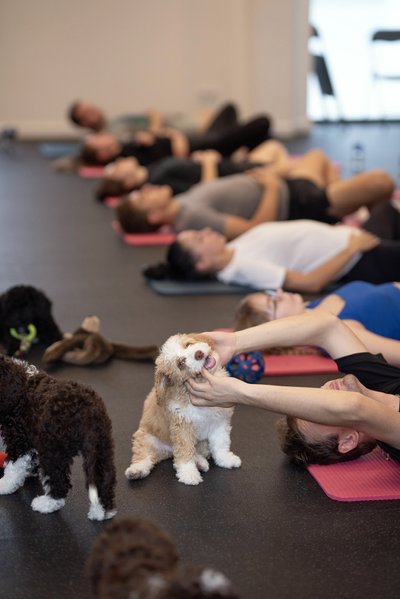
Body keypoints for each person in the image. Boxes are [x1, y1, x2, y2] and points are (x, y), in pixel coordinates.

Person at [186, 311, 400, 465]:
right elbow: (354, 408)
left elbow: (327, 327)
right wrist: (240, 393)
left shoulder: (374, 385)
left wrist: (235, 342)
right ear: (349, 440)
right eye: (321, 410)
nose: (325, 390)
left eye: (314, 398)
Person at [115, 148, 394, 239]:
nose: (147, 187)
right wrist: (271, 186)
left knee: (317, 155)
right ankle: (371, 237)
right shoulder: (191, 217)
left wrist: (273, 175)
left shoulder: (182, 202)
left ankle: (346, 217)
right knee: (381, 182)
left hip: (291, 186)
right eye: (143, 196)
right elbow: (255, 229)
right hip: (297, 202)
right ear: (153, 216)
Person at [143, 200, 400, 293]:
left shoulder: (234, 248)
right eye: (200, 238)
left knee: (386, 209)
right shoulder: (244, 268)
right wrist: (352, 249)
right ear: (202, 263)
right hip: (359, 258)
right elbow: (309, 283)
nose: (207, 231)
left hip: (351, 237)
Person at [234, 282, 400, 366]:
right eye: (274, 303)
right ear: (278, 327)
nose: (279, 293)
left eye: (271, 294)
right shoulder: (339, 334)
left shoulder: (311, 307)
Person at [96, 138, 288, 200]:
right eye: (115, 168)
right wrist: (208, 162)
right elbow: (206, 190)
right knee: (296, 163)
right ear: (128, 182)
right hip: (235, 174)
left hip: (229, 163)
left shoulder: (153, 169)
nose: (119, 160)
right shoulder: (159, 181)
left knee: (273, 146)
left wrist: (196, 159)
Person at [79, 113, 271, 167]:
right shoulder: (127, 155)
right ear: (101, 153)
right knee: (262, 123)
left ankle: (246, 146)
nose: (101, 136)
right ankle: (247, 146)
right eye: (97, 140)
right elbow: (166, 161)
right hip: (198, 147)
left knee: (229, 110)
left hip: (194, 139)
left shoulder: (125, 145)